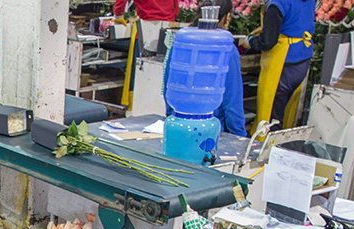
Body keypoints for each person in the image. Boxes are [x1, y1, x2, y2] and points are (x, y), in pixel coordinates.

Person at [163, 0, 246, 137]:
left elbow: (168, 85)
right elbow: (232, 100)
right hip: (212, 131)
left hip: (178, 126)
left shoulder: (180, 42)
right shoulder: (227, 49)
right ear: (227, 17)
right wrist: (240, 136)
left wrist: (171, 119)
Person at [242, 0, 314, 131]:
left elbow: (268, 41)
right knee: (285, 109)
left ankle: (266, 144)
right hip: (302, 58)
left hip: (283, 61)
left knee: (271, 113)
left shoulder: (278, 4)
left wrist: (250, 42)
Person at [115, 0, 180, 54]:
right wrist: (174, 17)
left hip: (148, 24)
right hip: (168, 24)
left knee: (145, 60)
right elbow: (176, 4)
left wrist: (119, 15)